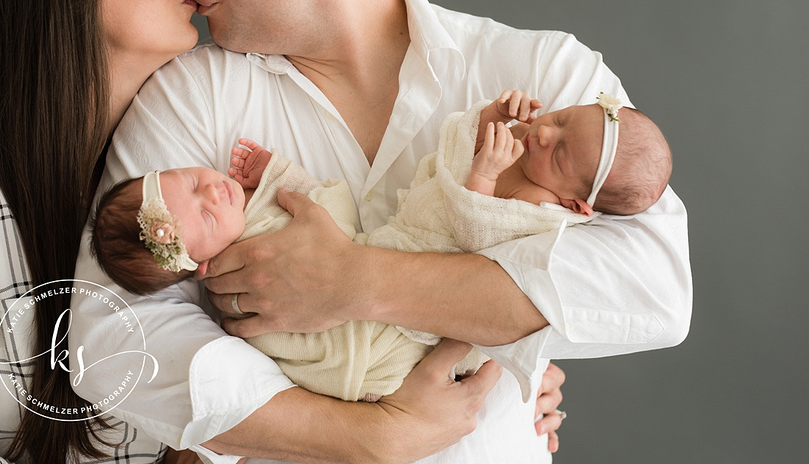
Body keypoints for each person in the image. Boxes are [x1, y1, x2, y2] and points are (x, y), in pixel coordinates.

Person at [70, 0, 690, 464]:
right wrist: (370, 436)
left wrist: (357, 281)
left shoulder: (543, 74)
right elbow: (111, 336)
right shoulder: (190, 95)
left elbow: (652, 286)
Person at [0, 0, 509, 464]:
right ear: (62, 1)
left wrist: (504, 379)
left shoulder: (174, 169)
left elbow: (257, 375)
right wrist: (376, 434)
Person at [90, 90, 672, 403]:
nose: (544, 130)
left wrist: (483, 179)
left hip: (421, 294)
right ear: (196, 262)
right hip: (374, 306)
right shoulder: (227, 267)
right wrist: (489, 119)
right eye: (562, 117)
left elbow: (482, 249)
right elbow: (324, 215)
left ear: (577, 206)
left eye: (562, 149)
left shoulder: (548, 216)